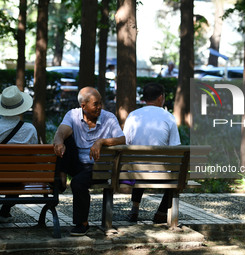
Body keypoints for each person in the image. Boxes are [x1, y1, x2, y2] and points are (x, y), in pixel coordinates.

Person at [53, 86, 125, 236]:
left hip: (99, 166)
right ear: (83, 106)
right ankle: (61, 174)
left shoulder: (109, 117)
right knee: (66, 139)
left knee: (77, 183)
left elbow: (122, 139)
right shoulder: (72, 115)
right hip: (79, 164)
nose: (99, 107)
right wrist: (59, 141)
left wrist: (101, 142)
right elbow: (61, 131)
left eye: (100, 103)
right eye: (95, 104)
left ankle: (83, 224)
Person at [123, 83, 181, 223]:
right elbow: (175, 148)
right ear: (161, 97)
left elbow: (125, 143)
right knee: (177, 176)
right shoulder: (168, 117)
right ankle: (161, 213)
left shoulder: (133, 116)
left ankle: (134, 210)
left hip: (135, 174)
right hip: (160, 174)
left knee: (139, 162)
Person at [0, 85, 38, 223]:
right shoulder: (30, 129)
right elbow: (34, 157)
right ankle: (4, 212)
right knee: (18, 173)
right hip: (17, 181)